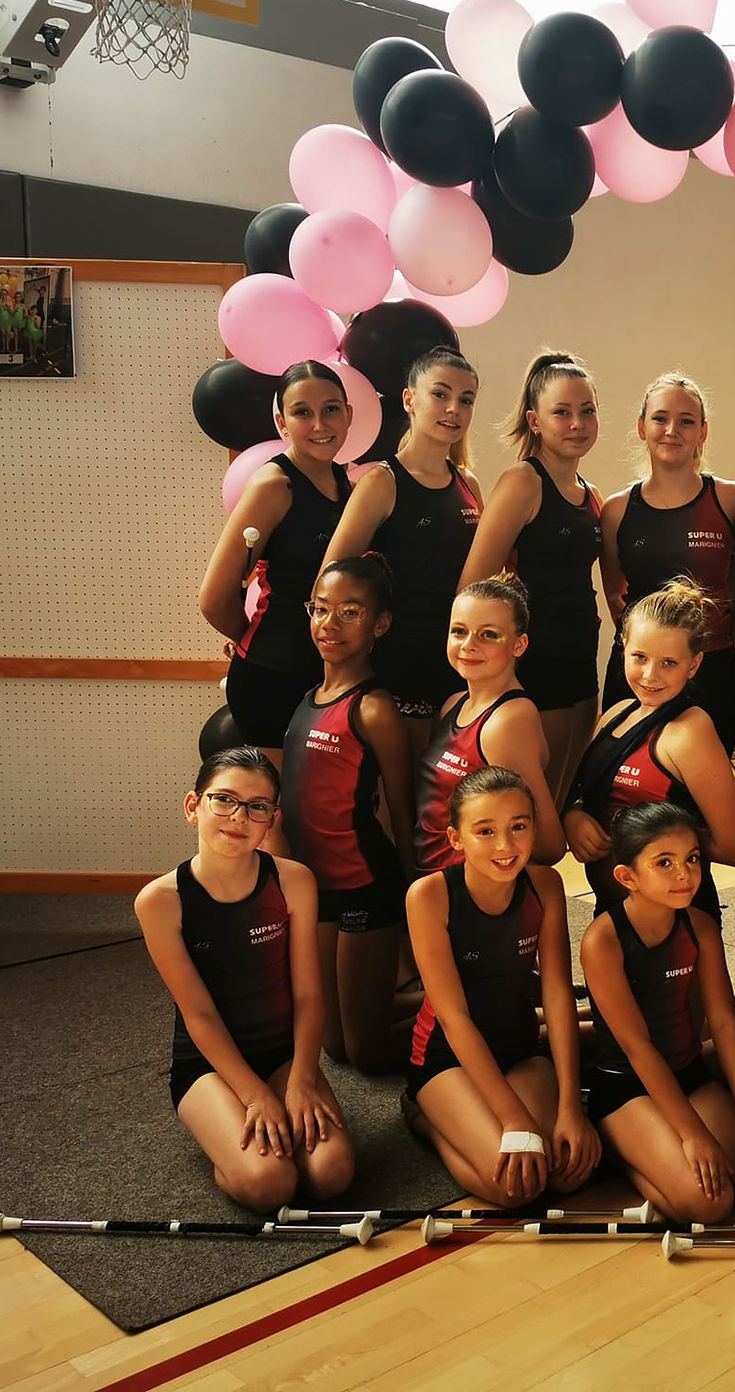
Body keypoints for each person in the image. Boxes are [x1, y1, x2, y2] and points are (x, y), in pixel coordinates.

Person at [134, 748, 354, 1212]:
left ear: (272, 819)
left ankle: (264, 1116)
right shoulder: (160, 901)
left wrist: (301, 1079)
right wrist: (254, 1097)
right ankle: (223, 1137)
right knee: (270, 1184)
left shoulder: (294, 881)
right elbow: (198, 1013)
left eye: (257, 806)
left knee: (331, 1174)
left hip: (284, 1055)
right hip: (207, 1065)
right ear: (193, 806)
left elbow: (309, 994)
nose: (239, 817)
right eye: (224, 800)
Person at [579, 802, 735, 1224]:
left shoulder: (700, 926)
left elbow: (724, 1023)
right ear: (627, 877)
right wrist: (692, 1134)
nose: (684, 874)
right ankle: (623, 1152)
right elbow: (636, 1047)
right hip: (628, 1088)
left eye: (691, 859)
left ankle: (661, 1151)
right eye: (664, 863)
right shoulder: (603, 940)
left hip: (688, 1073)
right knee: (709, 1203)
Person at [405, 766, 599, 1207]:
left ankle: (484, 1117)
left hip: (519, 1049)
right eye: (485, 831)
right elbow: (453, 1018)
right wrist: (514, 1118)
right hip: (446, 1058)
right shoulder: (429, 896)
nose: (505, 846)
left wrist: (571, 1105)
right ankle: (427, 1120)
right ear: (456, 838)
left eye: (518, 827)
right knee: (514, 1186)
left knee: (565, 1173)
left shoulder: (545, 885)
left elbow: (557, 995)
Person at [279, 556, 415, 1073]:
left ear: (380, 624)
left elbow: (402, 810)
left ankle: (500, 1026)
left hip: (364, 886)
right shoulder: (308, 698)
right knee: (335, 1047)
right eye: (320, 609)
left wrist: (414, 898)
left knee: (368, 1055)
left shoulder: (373, 709)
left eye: (350, 612)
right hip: (318, 891)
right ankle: (448, 1006)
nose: (329, 624)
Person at [564, 579, 735, 924]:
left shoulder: (689, 730)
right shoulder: (616, 713)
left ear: (693, 665)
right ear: (623, 647)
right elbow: (588, 795)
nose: (650, 675)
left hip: (676, 923)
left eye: (669, 663)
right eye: (639, 657)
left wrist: (648, 844)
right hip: (613, 910)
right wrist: (573, 817)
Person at [460, 351, 604, 807]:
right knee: (533, 801)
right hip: (537, 662)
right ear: (534, 421)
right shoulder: (523, 482)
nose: (577, 423)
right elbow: (472, 587)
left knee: (565, 794)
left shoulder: (591, 495)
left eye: (587, 411)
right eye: (561, 412)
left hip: (581, 658)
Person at [325, 346, 484, 752]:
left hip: (455, 663)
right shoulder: (382, 482)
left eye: (465, 400)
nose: (454, 408)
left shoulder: (468, 485)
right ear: (410, 400)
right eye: (441, 394)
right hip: (396, 667)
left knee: (445, 785)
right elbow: (330, 584)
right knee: (400, 786)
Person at [201, 361, 354, 755]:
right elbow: (214, 599)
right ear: (281, 422)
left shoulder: (346, 483)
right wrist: (254, 642)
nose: (319, 424)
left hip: (327, 677)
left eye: (331, 409)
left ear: (349, 415)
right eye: (302, 412)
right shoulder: (273, 485)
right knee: (281, 796)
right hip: (273, 678)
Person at [599, 374, 735, 756]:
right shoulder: (616, 510)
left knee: (705, 780)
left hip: (709, 667)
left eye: (686, 421)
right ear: (641, 427)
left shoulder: (731, 500)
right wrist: (648, 652)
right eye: (660, 418)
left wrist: (714, 647)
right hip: (638, 673)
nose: (672, 430)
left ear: (703, 431)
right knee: (628, 781)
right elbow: (616, 595)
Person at [412, 576, 566, 873]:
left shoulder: (507, 721)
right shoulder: (454, 704)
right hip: (434, 884)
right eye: (459, 631)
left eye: (489, 635)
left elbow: (549, 844)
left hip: (472, 892)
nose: (468, 645)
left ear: (519, 644)